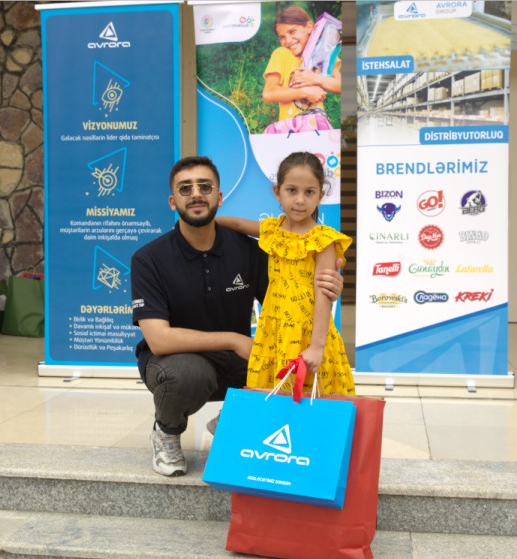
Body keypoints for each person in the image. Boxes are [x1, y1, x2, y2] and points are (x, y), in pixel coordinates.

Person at [131, 156, 344, 477]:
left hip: (239, 360)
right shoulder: (149, 259)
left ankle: (233, 421)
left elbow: (288, 296)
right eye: (185, 189)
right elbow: (159, 340)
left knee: (291, 361)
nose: (196, 194)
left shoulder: (249, 250)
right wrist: (234, 339)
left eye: (205, 187)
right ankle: (167, 432)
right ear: (173, 202)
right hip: (179, 361)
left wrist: (328, 286)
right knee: (186, 374)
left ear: (219, 197)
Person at [216, 151, 355, 396]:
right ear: (277, 192)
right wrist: (207, 220)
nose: (300, 200)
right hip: (273, 333)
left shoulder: (324, 241)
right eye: (292, 190)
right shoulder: (272, 230)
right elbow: (237, 225)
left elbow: (323, 294)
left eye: (309, 192)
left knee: (314, 404)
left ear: (321, 196)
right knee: (270, 400)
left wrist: (317, 346)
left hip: (310, 335)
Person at [262, 5, 342, 123]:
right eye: (282, 37)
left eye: (292, 31)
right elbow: (269, 93)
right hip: (290, 128)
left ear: (309, 27)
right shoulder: (281, 54)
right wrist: (305, 92)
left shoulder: (324, 54)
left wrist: (315, 79)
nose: (288, 41)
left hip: (318, 126)